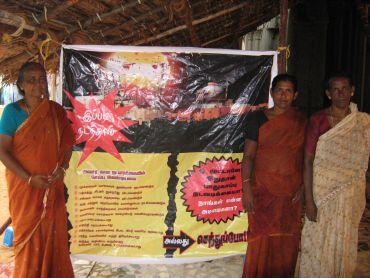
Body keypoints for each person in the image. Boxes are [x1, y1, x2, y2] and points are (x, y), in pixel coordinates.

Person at [0, 62, 75, 278]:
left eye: (41, 79)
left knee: (53, 236)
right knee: (26, 239)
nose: (37, 84)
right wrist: (30, 179)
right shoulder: (11, 112)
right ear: (21, 85)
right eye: (30, 80)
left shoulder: (56, 112)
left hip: (52, 187)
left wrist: (62, 168)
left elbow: (67, 145)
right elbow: (3, 151)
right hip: (24, 189)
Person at [297, 73, 369, 277]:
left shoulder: (362, 122)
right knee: (318, 239)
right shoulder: (318, 120)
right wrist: (309, 200)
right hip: (322, 193)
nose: (341, 94)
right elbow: (308, 160)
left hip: (350, 194)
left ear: (352, 91)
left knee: (345, 239)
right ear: (328, 94)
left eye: (345, 89)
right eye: (335, 90)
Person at [242, 74, 307, 277]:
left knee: (286, 241)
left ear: (295, 95)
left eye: (288, 91)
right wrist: (246, 190)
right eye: (279, 90)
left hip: (290, 193)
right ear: (272, 92)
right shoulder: (257, 119)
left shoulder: (301, 121)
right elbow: (248, 157)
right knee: (260, 238)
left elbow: (306, 158)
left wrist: (304, 187)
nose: (283, 96)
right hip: (262, 191)